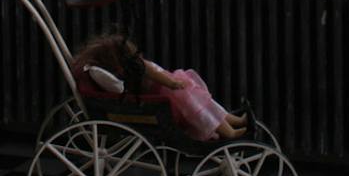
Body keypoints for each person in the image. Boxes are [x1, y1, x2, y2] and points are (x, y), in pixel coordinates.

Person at [73, 30, 249, 141]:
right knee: (199, 107)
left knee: (203, 104)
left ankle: (231, 120)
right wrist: (175, 84)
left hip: (173, 89)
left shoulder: (137, 66)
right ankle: (229, 131)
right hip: (172, 92)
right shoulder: (140, 67)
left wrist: (176, 84)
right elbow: (161, 78)